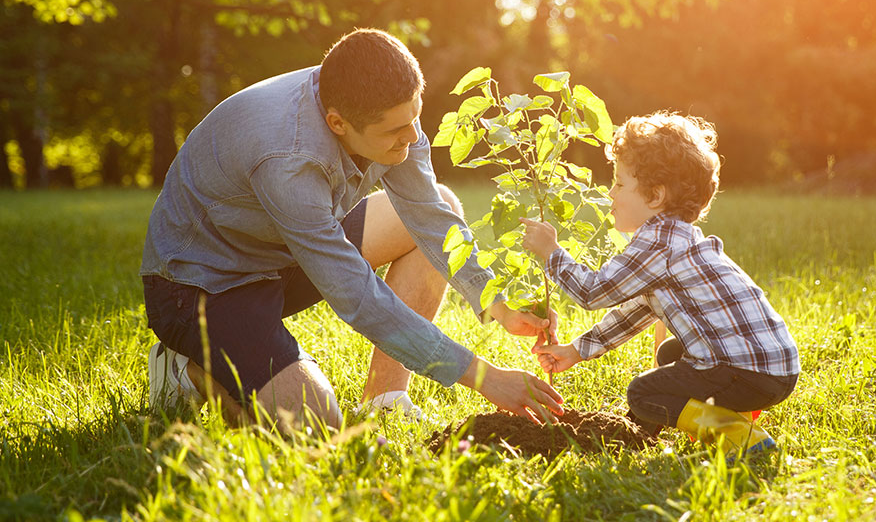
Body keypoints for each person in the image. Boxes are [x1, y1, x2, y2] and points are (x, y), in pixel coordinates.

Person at [141, 28, 563, 432]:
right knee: (313, 425)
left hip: (283, 250)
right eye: (396, 131)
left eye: (415, 117)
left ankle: (384, 400)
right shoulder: (288, 158)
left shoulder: (383, 110)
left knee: (445, 202)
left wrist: (498, 303)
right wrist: (483, 376)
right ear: (338, 123)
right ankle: (188, 367)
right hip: (204, 285)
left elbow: (431, 217)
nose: (414, 137)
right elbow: (357, 296)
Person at [521, 111, 799, 457]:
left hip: (747, 373)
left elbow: (592, 292)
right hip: (773, 369)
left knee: (643, 393)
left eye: (620, 184)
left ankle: (739, 436)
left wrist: (551, 252)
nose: (610, 193)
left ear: (654, 196)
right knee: (670, 355)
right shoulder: (675, 240)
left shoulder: (658, 242)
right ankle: (639, 436)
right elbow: (635, 313)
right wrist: (576, 351)